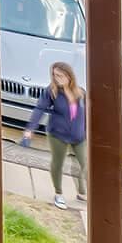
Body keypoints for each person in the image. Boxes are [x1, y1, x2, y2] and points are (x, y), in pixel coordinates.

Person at [20, 61, 88, 209]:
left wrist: (87, 132)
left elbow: (86, 115)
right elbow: (39, 109)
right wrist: (30, 129)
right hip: (58, 134)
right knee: (58, 163)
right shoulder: (51, 92)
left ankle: (82, 191)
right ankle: (59, 194)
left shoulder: (80, 92)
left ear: (69, 76)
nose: (58, 79)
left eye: (61, 76)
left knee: (84, 164)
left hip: (78, 135)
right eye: (55, 76)